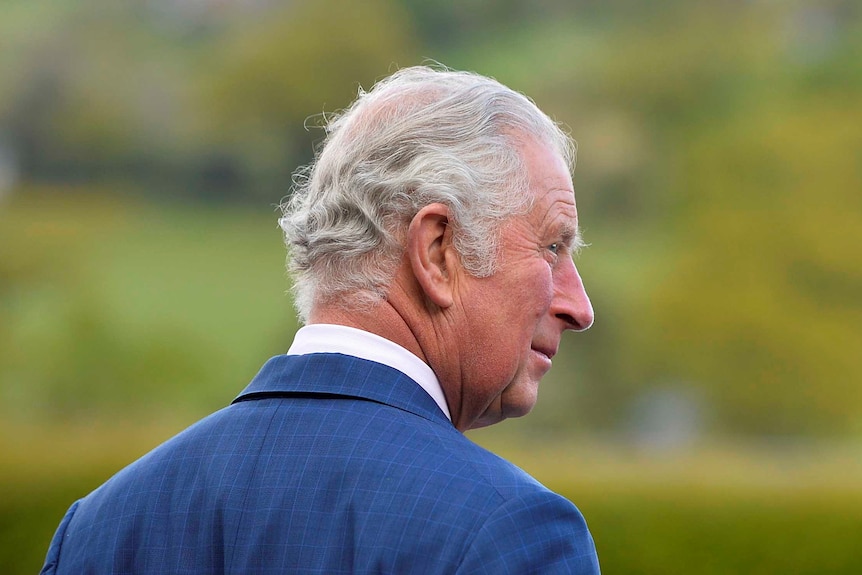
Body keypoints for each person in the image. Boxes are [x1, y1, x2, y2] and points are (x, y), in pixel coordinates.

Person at [41, 66, 599, 574]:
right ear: (436, 251)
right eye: (552, 247)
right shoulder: (509, 534)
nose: (580, 307)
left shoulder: (101, 528)